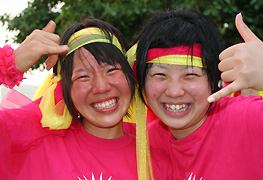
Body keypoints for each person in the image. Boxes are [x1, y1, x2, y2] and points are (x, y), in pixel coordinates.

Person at [0, 17, 165, 179]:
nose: (101, 87)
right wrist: (5, 66)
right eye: (83, 77)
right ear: (65, 89)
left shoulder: (158, 153)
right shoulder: (28, 140)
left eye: (111, 70)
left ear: (131, 76)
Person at [130, 9, 263, 179]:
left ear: (213, 81)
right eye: (160, 75)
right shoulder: (144, 143)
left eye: (190, 75)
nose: (174, 91)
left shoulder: (248, 119)